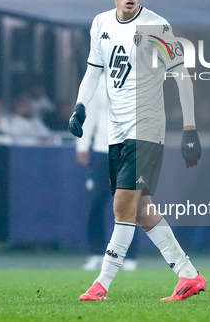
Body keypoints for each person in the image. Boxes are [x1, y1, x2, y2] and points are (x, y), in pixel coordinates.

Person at [68, 0, 205, 301]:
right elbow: (94, 71)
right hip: (116, 131)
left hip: (145, 129)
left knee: (121, 206)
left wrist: (190, 128)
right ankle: (188, 275)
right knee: (141, 210)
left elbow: (181, 76)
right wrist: (80, 106)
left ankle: (101, 285)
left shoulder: (156, 27)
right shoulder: (100, 23)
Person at [76, 76, 139, 272]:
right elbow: (90, 114)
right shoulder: (100, 80)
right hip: (103, 150)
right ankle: (96, 253)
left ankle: (129, 256)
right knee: (96, 201)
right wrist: (82, 145)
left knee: (128, 203)